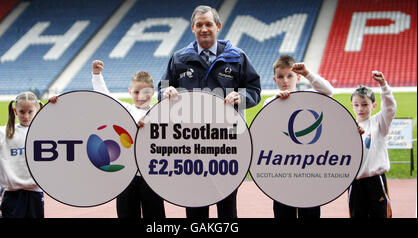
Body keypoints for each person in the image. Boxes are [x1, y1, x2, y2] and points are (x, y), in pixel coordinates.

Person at [159, 5, 261, 218]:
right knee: (195, 202)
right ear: (192, 28)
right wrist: (166, 92)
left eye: (208, 24)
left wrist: (241, 98)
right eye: (199, 25)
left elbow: (254, 90)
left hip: (227, 142)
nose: (204, 29)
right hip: (190, 143)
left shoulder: (237, 57)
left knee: (226, 205)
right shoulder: (178, 58)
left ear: (218, 26)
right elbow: (162, 88)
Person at [91, 59, 166, 218]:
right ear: (129, 91)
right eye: (136, 92)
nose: (141, 96)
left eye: (145, 92)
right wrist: (97, 75)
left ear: (153, 92)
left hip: (152, 176)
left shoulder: (159, 113)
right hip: (126, 177)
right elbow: (104, 97)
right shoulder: (124, 110)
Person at [263, 55, 334, 218]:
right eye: (280, 77)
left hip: (307, 169)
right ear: (275, 79)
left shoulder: (308, 96)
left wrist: (308, 73)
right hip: (282, 170)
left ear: (298, 77)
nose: (285, 81)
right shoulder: (270, 102)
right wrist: (275, 105)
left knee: (309, 213)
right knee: (283, 213)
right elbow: (266, 133)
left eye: (290, 76)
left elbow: (329, 91)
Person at [0, 92, 55, 218]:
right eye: (22, 112)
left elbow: (64, 131)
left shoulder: (44, 132)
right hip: (12, 196)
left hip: (35, 194)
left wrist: (54, 108)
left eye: (30, 111)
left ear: (37, 110)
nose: (26, 116)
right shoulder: (5, 134)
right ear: (15, 111)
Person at [348, 70, 396, 218]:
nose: (360, 109)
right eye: (356, 104)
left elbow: (389, 108)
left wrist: (383, 85)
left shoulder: (379, 123)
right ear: (352, 105)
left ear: (374, 105)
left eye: (364, 104)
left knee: (380, 215)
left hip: (375, 181)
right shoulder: (347, 126)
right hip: (354, 182)